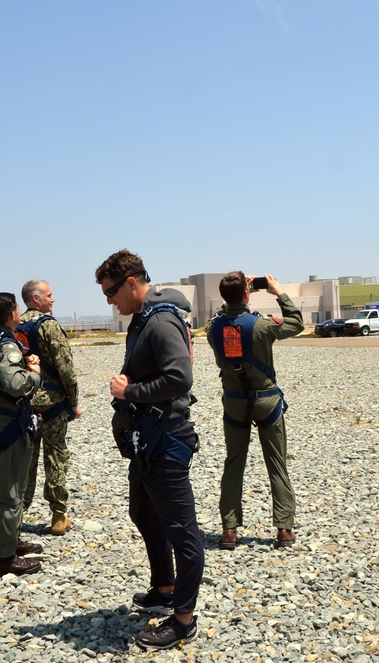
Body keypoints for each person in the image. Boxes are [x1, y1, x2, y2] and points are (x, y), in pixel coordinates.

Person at [95, 249, 203, 651]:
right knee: (141, 511)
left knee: (183, 534)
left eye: (111, 292)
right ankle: (165, 587)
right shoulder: (142, 321)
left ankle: (183, 621)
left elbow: (180, 377)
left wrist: (130, 391)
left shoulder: (159, 323)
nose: (109, 301)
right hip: (147, 440)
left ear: (131, 284)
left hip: (166, 440)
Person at [207, 272, 303, 551]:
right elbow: (296, 323)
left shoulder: (214, 328)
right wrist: (278, 292)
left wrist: (235, 297)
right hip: (266, 401)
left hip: (234, 402)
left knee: (233, 464)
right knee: (277, 464)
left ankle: (229, 530)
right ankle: (284, 530)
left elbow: (223, 316)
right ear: (248, 293)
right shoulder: (261, 325)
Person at [0, 293, 44, 577]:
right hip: (9, 423)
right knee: (12, 493)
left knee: (8, 486)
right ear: (12, 314)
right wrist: (35, 373)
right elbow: (15, 384)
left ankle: (12, 541)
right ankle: (4, 559)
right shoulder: (7, 345)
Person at [17, 279, 83, 536]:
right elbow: (66, 368)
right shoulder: (49, 326)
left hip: (24, 403)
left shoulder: (15, 327)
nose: (53, 299)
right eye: (49, 295)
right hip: (52, 403)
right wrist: (74, 401)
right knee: (55, 456)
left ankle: (17, 513)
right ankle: (58, 514)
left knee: (25, 460)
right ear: (36, 298)